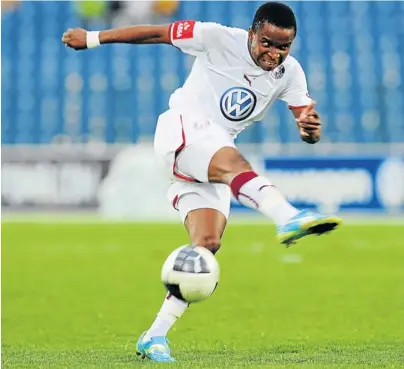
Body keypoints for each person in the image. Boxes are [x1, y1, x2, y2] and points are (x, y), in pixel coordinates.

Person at [62, 2, 342, 363]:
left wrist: (310, 129)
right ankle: (286, 215)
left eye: (283, 47)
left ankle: (154, 336)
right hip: (183, 129)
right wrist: (94, 38)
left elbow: (306, 119)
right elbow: (156, 33)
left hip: (211, 153)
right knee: (234, 161)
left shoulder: (290, 72)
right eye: (268, 43)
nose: (274, 53)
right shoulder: (217, 37)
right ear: (253, 32)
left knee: (207, 245)